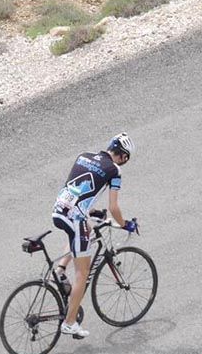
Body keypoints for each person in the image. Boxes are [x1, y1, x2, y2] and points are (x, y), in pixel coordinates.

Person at [51, 133, 138, 339]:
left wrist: (91, 212)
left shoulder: (84, 156)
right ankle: (70, 323)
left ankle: (61, 269)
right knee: (83, 273)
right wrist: (125, 225)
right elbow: (113, 207)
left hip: (58, 210)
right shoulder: (114, 170)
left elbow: (77, 192)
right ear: (124, 157)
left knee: (86, 230)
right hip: (74, 218)